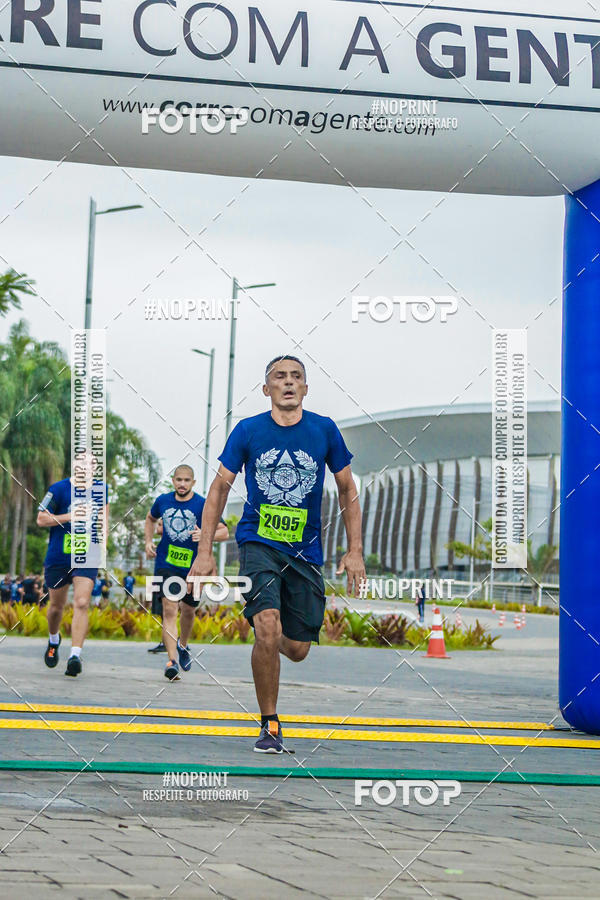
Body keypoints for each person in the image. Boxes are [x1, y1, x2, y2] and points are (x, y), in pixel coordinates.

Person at [188, 355, 366, 753]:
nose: (288, 383)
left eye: (296, 377)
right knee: (268, 626)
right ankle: (270, 723)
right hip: (258, 543)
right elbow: (218, 489)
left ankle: (264, 631)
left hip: (305, 552)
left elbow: (347, 490)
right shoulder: (248, 430)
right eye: (279, 377)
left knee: (298, 649)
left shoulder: (325, 430)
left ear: (306, 388)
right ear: (266, 389)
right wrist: (204, 553)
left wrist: (355, 550)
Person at [145, 465, 228, 681]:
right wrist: (147, 542)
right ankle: (171, 661)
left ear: (193, 483)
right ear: (173, 480)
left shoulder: (202, 504)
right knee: (170, 609)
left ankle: (182, 646)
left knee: (188, 610)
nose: (182, 484)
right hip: (167, 564)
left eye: (186, 480)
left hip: (194, 567)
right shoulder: (162, 500)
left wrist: (205, 534)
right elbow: (150, 518)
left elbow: (225, 531)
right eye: (178, 480)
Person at [37, 455, 109, 676]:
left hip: (87, 555)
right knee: (56, 608)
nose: (86, 468)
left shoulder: (102, 489)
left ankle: (74, 656)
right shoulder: (58, 489)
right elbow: (41, 519)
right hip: (59, 555)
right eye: (82, 464)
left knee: (81, 602)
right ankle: (53, 639)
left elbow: (103, 519)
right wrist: (70, 516)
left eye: (91, 464)